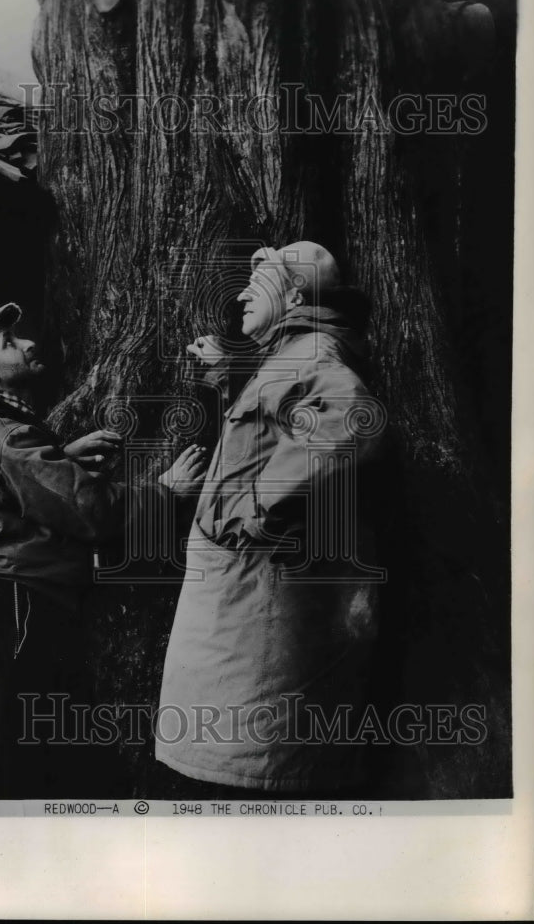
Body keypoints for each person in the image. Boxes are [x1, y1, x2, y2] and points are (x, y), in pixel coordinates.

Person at [0, 302, 206, 799]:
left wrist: (60, 459)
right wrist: (165, 492)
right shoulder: (10, 436)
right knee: (5, 777)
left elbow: (6, 486)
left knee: (49, 766)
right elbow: (90, 513)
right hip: (10, 612)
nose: (28, 343)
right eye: (10, 343)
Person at [155, 241, 386, 797]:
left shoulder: (312, 356)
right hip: (236, 608)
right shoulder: (293, 355)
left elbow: (347, 427)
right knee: (225, 761)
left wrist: (254, 512)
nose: (239, 294)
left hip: (253, 612)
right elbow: (272, 433)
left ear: (295, 293)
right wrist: (230, 382)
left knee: (241, 777)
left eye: (257, 284)